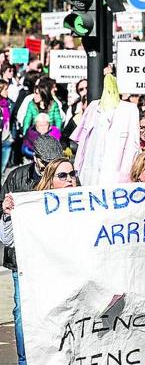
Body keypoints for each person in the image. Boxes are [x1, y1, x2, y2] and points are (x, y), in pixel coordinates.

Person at [1, 155, 74, 365]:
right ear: (51, 179)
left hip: (70, 284)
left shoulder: (84, 204)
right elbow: (8, 240)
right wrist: (7, 215)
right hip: (39, 284)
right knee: (30, 322)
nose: (69, 179)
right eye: (63, 175)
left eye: (72, 174)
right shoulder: (33, 207)